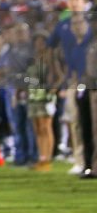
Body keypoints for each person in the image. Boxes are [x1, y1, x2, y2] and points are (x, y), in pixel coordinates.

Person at [46, 0, 94, 178]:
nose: (74, 3)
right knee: (75, 120)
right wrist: (57, 73)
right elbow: (49, 48)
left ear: (84, 3)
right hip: (74, 78)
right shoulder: (63, 25)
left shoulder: (91, 23)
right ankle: (80, 160)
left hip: (92, 77)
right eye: (72, 0)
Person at [25, 27, 64, 171]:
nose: (39, 43)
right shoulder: (33, 58)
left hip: (45, 97)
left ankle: (47, 159)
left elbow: (60, 77)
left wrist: (51, 92)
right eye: (37, 41)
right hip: (33, 96)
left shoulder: (50, 58)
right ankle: (41, 157)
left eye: (42, 41)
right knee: (37, 128)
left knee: (45, 127)